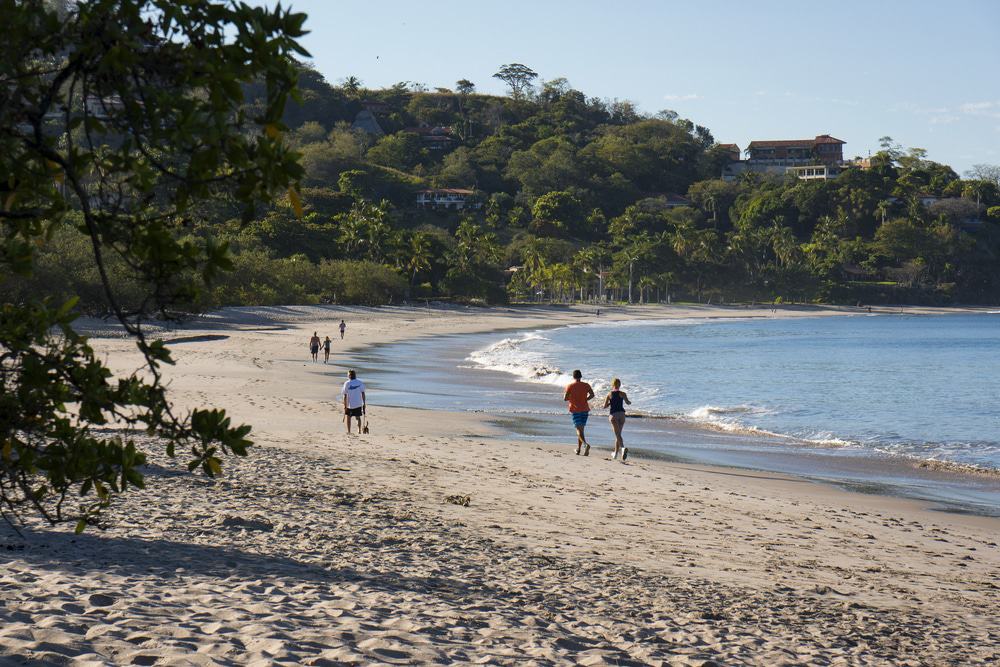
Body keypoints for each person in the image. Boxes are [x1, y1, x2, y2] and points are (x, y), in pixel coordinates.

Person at [564, 370, 595, 456]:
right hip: (585, 409)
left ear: (573, 377)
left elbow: (565, 398)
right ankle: (578, 449)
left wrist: (572, 398)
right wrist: (586, 399)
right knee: (581, 430)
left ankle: (585, 445)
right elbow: (592, 395)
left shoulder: (570, 386)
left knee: (578, 430)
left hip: (575, 409)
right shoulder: (586, 385)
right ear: (581, 376)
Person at [602, 378, 632, 461]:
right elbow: (628, 402)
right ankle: (615, 453)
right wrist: (629, 402)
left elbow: (604, 406)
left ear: (612, 385)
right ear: (620, 385)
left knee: (617, 434)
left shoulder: (609, 394)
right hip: (622, 415)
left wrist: (609, 403)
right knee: (618, 434)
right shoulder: (623, 393)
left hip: (614, 415)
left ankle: (622, 448)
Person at [341, 369, 366, 434]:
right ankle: (359, 430)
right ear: (355, 375)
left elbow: (344, 395)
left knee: (348, 418)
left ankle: (349, 431)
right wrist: (364, 403)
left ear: (349, 376)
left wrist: (345, 405)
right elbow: (363, 393)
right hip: (358, 403)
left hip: (350, 404)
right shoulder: (359, 382)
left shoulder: (347, 383)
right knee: (358, 417)